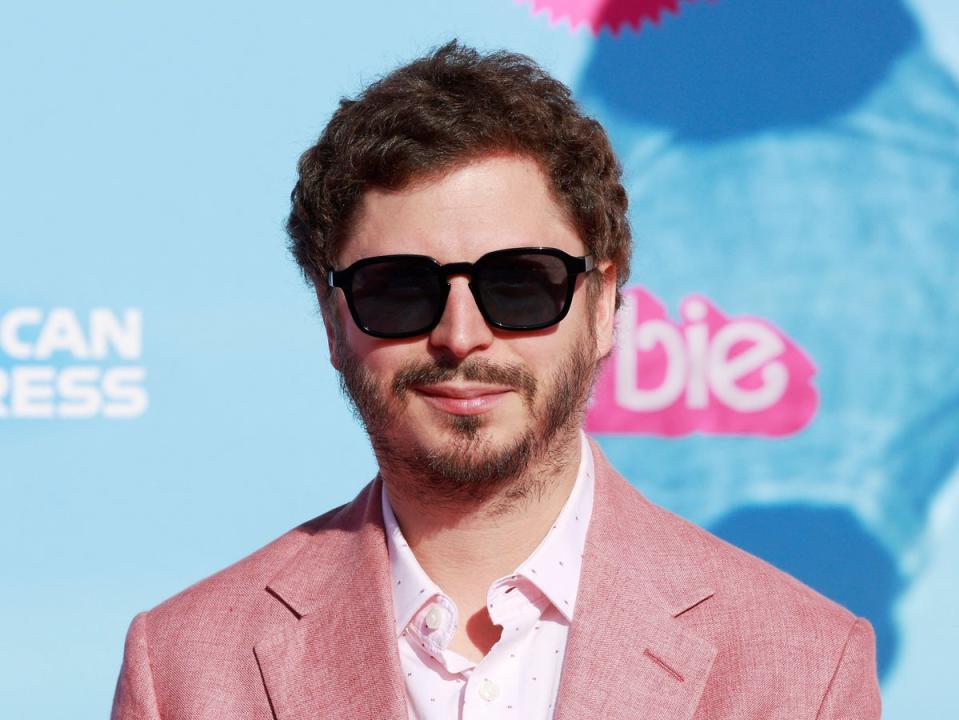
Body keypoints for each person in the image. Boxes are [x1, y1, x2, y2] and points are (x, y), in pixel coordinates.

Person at [111, 41, 881, 719]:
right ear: (331, 317)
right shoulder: (185, 668)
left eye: (518, 284)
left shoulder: (802, 668)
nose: (460, 335)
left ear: (604, 304)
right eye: (398, 289)